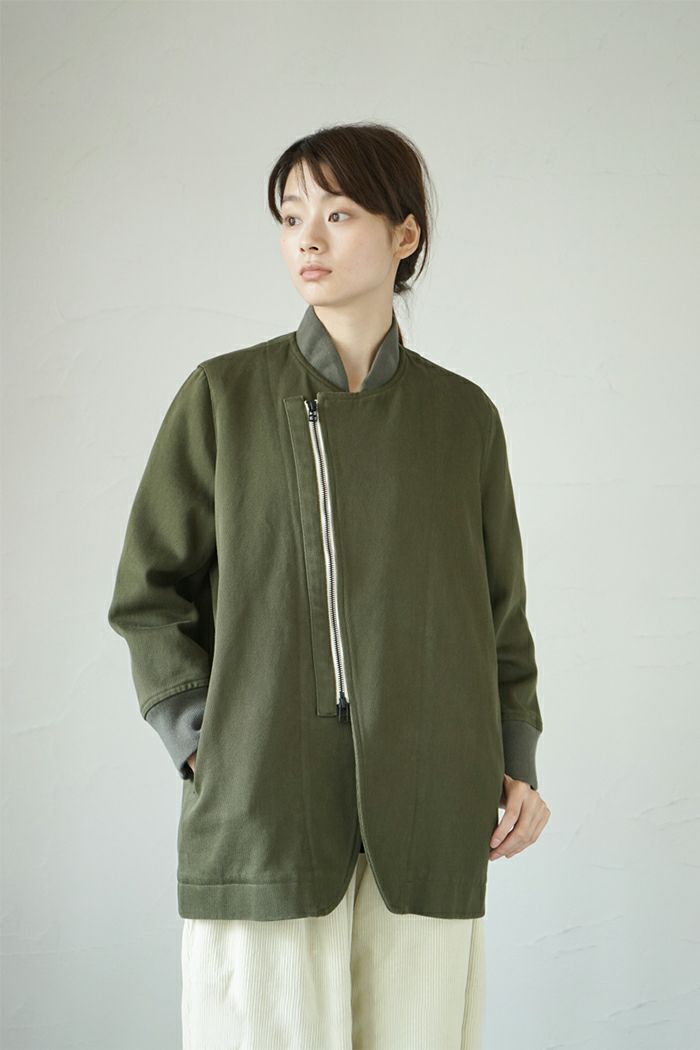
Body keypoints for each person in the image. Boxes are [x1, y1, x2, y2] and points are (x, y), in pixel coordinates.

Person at [108, 121, 551, 1050]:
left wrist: (518, 760)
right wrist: (204, 742)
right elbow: (150, 592)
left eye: (339, 213)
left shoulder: (462, 418)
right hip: (265, 807)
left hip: (432, 800)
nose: (307, 238)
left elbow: (501, 613)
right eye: (290, 216)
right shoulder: (224, 397)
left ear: (404, 233)